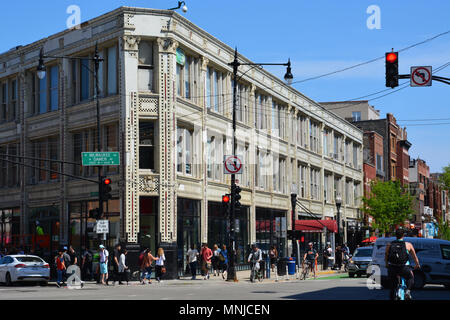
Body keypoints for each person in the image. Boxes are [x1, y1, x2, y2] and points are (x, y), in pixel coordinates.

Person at [385, 228, 420, 300]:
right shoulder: (408, 245)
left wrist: (386, 264)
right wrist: (417, 265)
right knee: (410, 277)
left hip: (393, 267)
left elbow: (386, 255)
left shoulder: (389, 244)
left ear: (396, 235)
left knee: (392, 285)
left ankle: (393, 293)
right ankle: (408, 291)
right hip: (404, 268)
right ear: (403, 235)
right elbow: (414, 256)